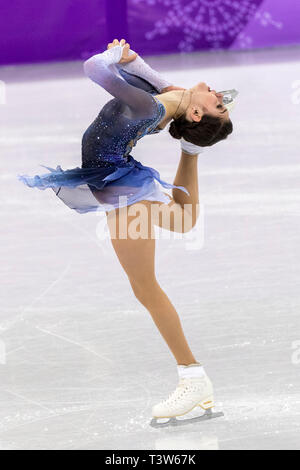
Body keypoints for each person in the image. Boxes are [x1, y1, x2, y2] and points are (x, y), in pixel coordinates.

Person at [19, 39, 234, 424]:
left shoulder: (149, 105)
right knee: (182, 222)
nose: (218, 94)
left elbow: (95, 69)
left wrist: (115, 57)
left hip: (120, 186)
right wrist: (130, 58)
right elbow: (148, 75)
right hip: (117, 175)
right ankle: (191, 151)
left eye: (218, 104)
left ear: (198, 114)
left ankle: (193, 376)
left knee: (145, 287)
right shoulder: (170, 95)